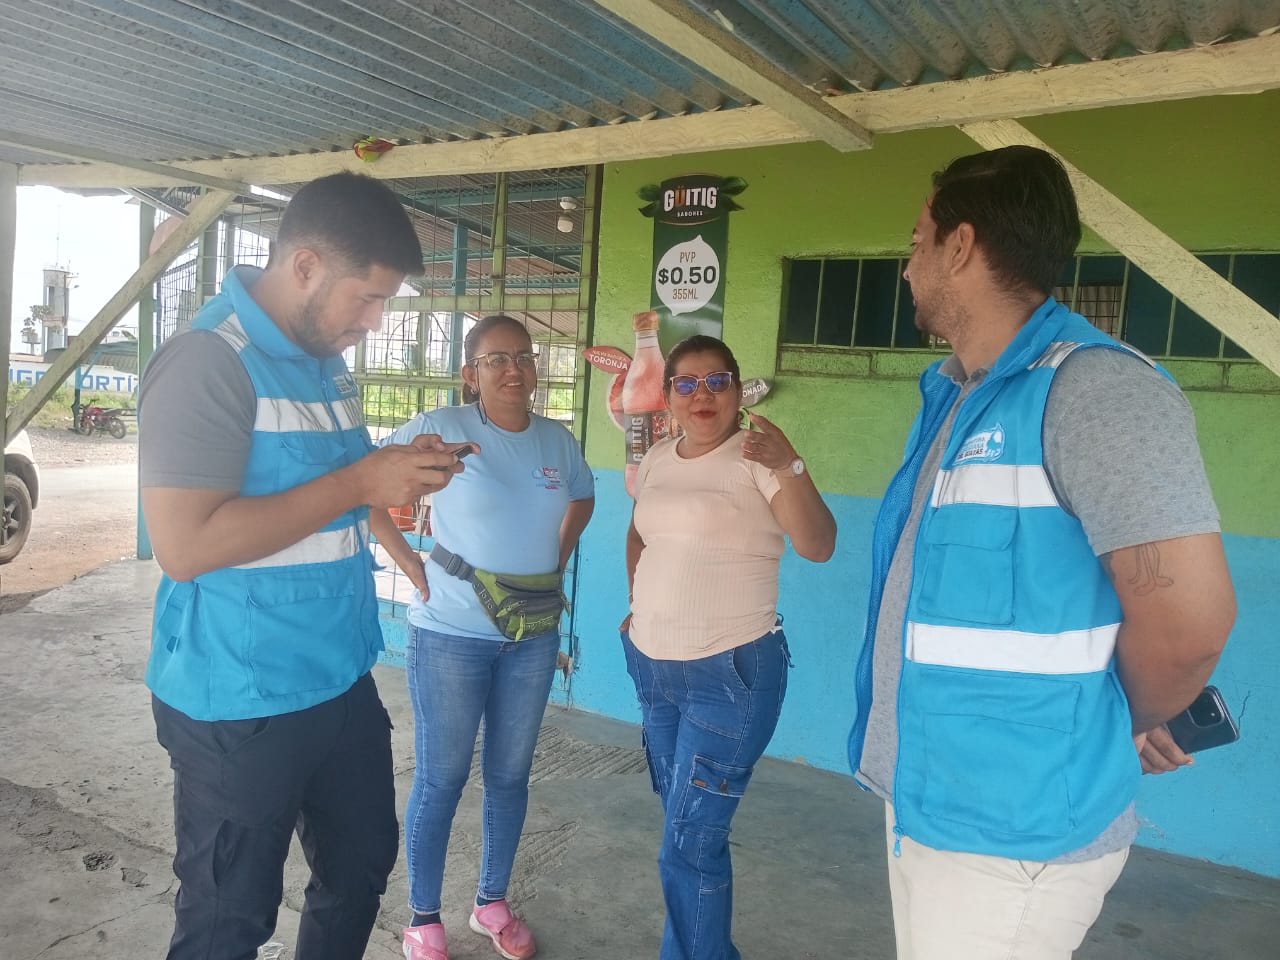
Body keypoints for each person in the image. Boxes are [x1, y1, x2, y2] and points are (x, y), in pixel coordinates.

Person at [848, 145, 1236, 960]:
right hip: (931, 804)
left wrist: (1114, 718)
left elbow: (1189, 626)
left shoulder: (1096, 391)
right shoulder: (958, 394)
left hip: (1013, 835)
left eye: (917, 241)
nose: (908, 266)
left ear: (960, 246)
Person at [139, 172, 467, 960]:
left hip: (339, 676)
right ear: (307, 266)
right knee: (228, 919)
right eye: (368, 297)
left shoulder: (324, 361)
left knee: (359, 868)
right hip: (240, 695)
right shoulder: (209, 361)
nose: (376, 319)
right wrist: (362, 482)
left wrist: (396, 481)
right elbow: (185, 545)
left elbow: (344, 481)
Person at [376, 314, 595, 960]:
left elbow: (583, 497)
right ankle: (423, 919)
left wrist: (555, 558)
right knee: (441, 778)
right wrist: (408, 562)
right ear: (470, 373)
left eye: (523, 357)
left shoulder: (557, 441)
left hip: (532, 637)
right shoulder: (440, 427)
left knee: (509, 775)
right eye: (496, 359)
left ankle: (490, 903)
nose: (513, 369)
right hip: (450, 634)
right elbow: (365, 490)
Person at [621, 335, 837, 960]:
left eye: (717, 381)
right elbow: (639, 534)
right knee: (686, 830)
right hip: (653, 668)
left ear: (739, 392)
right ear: (668, 398)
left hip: (730, 674)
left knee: (689, 842)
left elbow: (819, 545)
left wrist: (792, 465)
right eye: (687, 383)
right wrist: (639, 606)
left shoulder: (758, 457)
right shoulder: (657, 458)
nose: (703, 394)